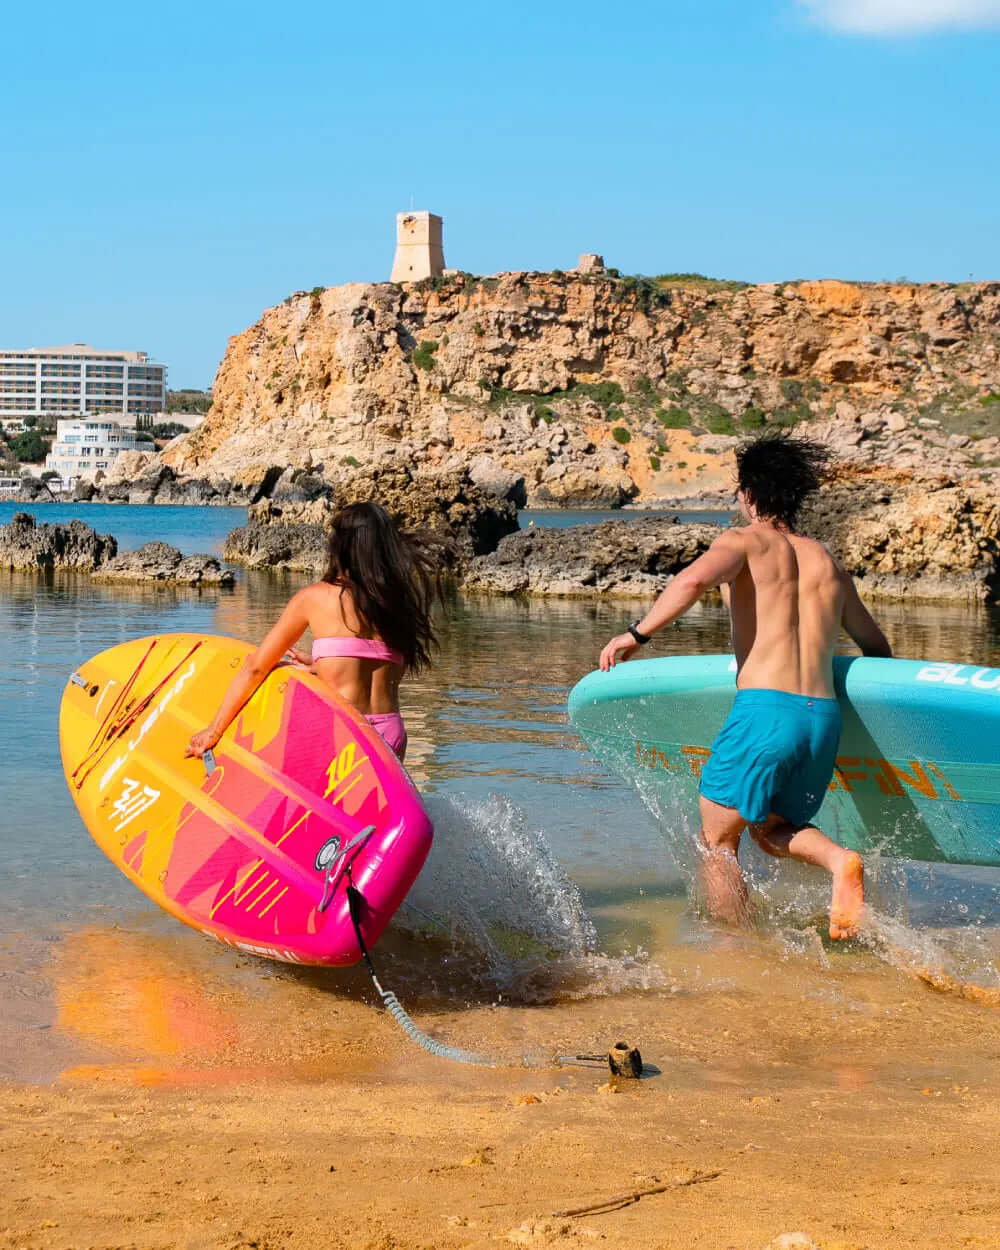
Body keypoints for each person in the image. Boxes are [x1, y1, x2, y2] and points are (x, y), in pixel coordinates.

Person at [599, 431, 892, 940]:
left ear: (748, 495)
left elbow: (691, 581)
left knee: (717, 841)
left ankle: (734, 955)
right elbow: (876, 646)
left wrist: (637, 633)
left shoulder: (742, 542)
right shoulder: (827, 562)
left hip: (765, 711)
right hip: (822, 718)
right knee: (769, 829)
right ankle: (838, 859)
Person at [186, 502, 441, 764]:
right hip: (392, 731)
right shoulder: (397, 604)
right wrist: (320, 666)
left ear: (341, 546)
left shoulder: (315, 598)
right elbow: (370, 664)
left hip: (345, 732)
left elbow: (256, 668)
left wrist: (214, 730)